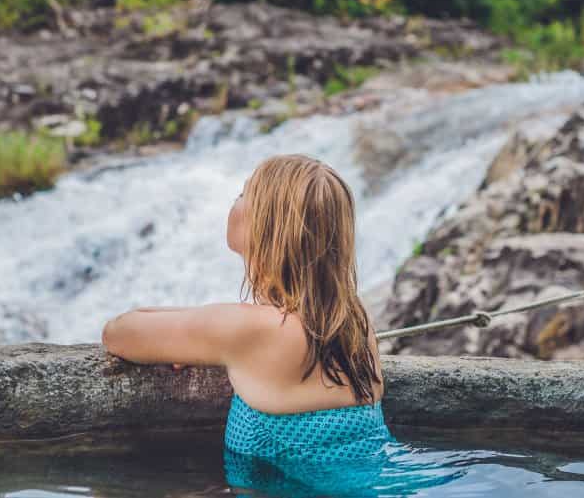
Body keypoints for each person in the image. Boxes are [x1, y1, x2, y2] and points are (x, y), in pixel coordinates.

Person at [101, 154, 393, 471]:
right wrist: (196, 334)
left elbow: (118, 333)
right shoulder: (354, 319)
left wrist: (194, 335)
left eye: (243, 193)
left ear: (266, 229)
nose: (235, 202)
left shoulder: (248, 329)